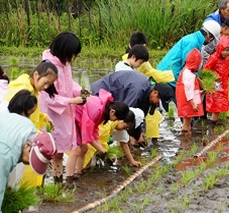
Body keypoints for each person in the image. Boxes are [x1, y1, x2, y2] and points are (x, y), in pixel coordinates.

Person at [1, 60, 58, 188]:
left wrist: (44, 116)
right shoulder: (22, 89)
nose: (46, 87)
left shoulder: (32, 89)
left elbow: (28, 113)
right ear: (37, 75)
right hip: (18, 143)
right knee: (15, 182)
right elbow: (13, 115)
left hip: (26, 142)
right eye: (45, 83)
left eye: (49, 85)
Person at [40, 31, 86, 183]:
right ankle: (42, 182)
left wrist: (79, 91)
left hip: (65, 113)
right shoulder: (48, 68)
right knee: (48, 150)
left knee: (59, 151)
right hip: (52, 115)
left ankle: (57, 181)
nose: (72, 58)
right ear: (63, 50)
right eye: (71, 54)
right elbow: (49, 98)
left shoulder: (65, 64)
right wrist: (72, 101)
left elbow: (69, 84)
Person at [65, 90, 134, 182]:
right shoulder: (97, 111)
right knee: (76, 150)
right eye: (116, 119)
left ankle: (78, 173)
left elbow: (94, 130)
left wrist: (101, 148)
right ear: (113, 112)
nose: (114, 121)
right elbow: (88, 134)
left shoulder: (103, 111)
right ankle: (69, 178)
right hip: (70, 117)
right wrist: (100, 149)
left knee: (84, 148)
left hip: (78, 121)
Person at [0, 113, 57, 209]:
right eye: (33, 158)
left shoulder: (28, 127)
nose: (30, 163)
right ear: (27, 145)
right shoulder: (5, 155)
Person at [157, 20, 221, 89]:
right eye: (212, 39)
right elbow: (188, 68)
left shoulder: (194, 39)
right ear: (209, 36)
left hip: (169, 74)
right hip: (169, 77)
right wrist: (200, 83)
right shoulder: (193, 43)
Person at [91, 71, 174, 117]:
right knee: (103, 120)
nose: (157, 105)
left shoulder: (149, 92)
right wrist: (131, 137)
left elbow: (141, 115)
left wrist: (140, 133)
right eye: (158, 102)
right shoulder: (137, 91)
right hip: (101, 92)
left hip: (116, 96)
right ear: (155, 92)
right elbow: (125, 114)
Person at [204, 35, 229, 123]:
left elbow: (227, 69)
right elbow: (206, 69)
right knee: (216, 105)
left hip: (223, 84)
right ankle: (212, 123)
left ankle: (213, 122)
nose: (225, 52)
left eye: (227, 50)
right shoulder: (214, 58)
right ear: (219, 48)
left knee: (219, 106)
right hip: (215, 84)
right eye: (223, 50)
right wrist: (214, 75)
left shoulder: (227, 59)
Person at [176, 49, 204, 133]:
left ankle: (187, 135)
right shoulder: (189, 74)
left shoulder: (186, 70)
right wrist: (193, 103)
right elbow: (188, 90)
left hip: (185, 99)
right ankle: (186, 138)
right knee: (187, 121)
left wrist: (199, 93)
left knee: (188, 119)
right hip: (187, 101)